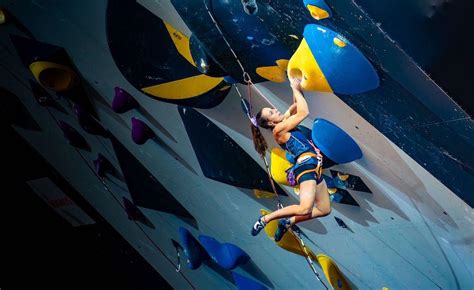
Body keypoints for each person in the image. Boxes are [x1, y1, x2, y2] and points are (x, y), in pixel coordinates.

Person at [250, 78, 331, 241]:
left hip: (315, 166)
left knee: (324, 209)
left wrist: (296, 86)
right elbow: (304, 112)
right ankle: (265, 219)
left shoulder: (285, 122)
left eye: (272, 109)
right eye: (271, 112)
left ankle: (288, 222)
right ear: (271, 123)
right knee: (304, 209)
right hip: (306, 166)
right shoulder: (279, 130)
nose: (275, 110)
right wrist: (294, 87)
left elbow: (296, 105)